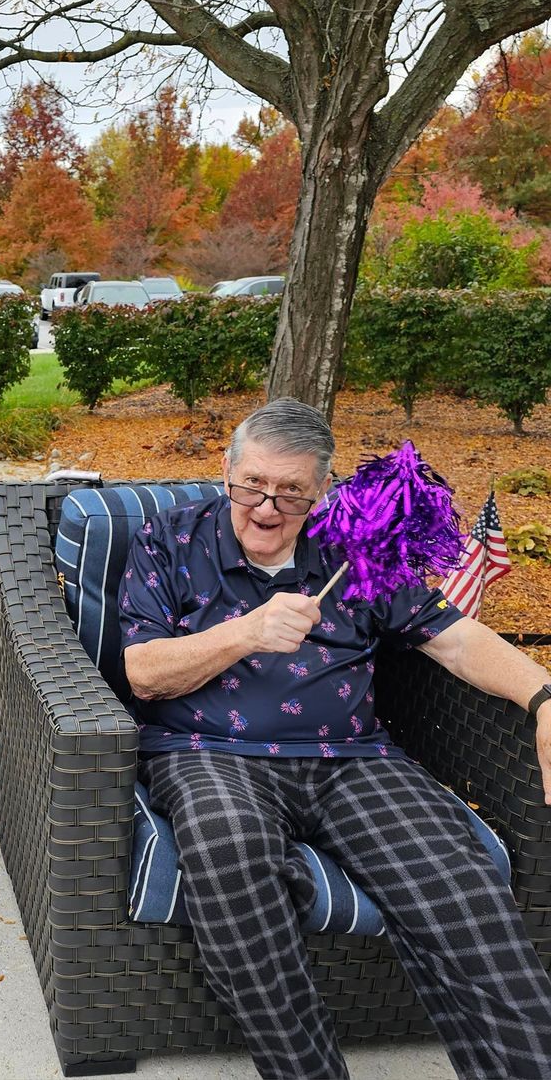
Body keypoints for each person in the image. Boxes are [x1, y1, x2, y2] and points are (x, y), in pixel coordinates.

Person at [120, 398, 551, 1080]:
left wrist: (543, 697)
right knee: (228, 847)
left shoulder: (355, 551)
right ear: (225, 471)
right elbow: (142, 674)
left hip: (351, 759)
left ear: (322, 489)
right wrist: (246, 631)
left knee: (457, 882)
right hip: (208, 754)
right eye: (252, 485)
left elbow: (457, 640)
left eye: (291, 492)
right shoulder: (170, 541)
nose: (266, 509)